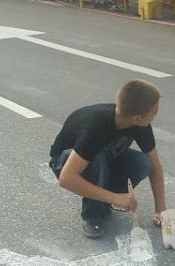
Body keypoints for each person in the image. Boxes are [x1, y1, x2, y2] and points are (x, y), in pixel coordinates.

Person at [49, 80, 167, 239]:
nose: (156, 115)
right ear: (137, 118)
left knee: (143, 164)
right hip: (65, 162)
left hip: (102, 159)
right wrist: (115, 198)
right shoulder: (95, 128)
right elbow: (66, 178)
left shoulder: (139, 125)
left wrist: (161, 210)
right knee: (98, 159)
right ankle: (94, 216)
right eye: (154, 112)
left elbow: (155, 166)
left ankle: (102, 197)